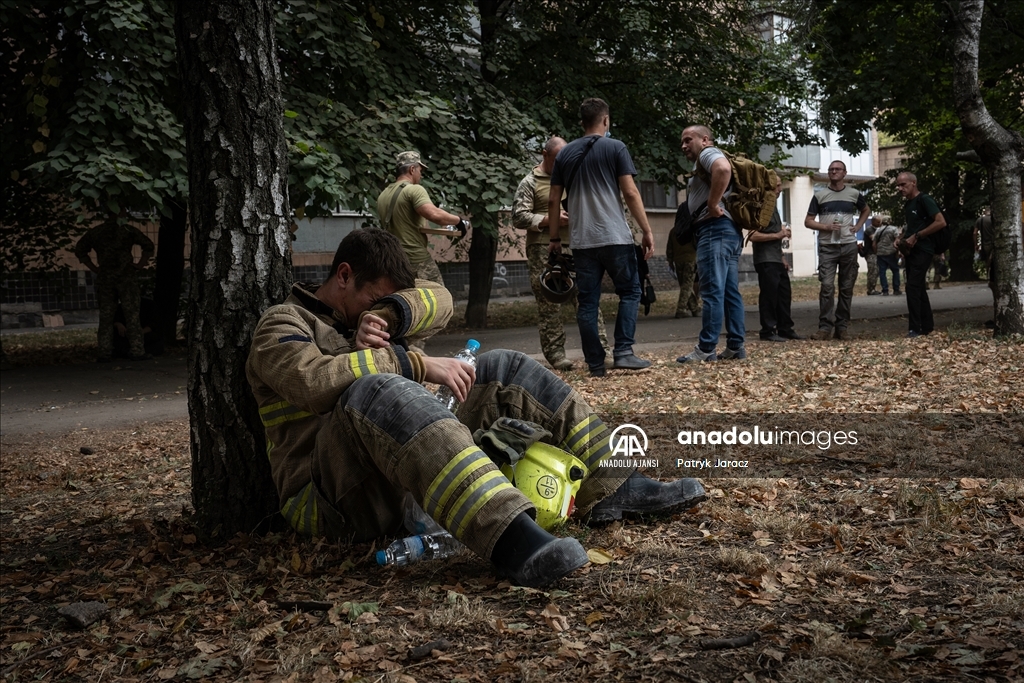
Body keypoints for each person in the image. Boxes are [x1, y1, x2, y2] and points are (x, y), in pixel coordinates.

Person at [245, 229, 706, 588]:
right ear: (343, 276)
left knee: (502, 366)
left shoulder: (376, 318)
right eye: (371, 298)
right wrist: (410, 360)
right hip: (327, 500)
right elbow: (311, 383)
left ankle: (618, 483)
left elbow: (438, 299)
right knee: (375, 388)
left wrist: (382, 315)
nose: (376, 311)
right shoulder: (282, 323)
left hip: (396, 473)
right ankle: (513, 539)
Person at [546, 98, 655, 377]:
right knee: (630, 291)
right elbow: (630, 193)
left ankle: (595, 363)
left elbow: (554, 199)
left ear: (582, 122)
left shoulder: (565, 154)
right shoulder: (615, 147)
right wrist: (647, 230)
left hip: (582, 241)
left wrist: (555, 238)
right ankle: (624, 353)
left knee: (588, 302)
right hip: (615, 236)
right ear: (605, 120)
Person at [511, 136, 610, 370]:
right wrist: (547, 219)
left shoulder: (573, 178)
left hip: (577, 245)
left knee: (587, 299)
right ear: (545, 155)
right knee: (549, 302)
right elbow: (518, 216)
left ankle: (600, 352)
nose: (563, 163)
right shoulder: (531, 182)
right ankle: (556, 355)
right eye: (558, 159)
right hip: (543, 249)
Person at [675, 125, 746, 362]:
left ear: (704, 139)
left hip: (715, 230)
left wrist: (713, 204)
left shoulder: (708, 154)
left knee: (712, 291)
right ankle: (736, 347)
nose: (684, 146)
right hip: (728, 231)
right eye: (682, 142)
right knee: (729, 292)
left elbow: (723, 169)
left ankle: (706, 349)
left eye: (688, 140)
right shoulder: (705, 159)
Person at [377, 150, 468, 287]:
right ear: (412, 169)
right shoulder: (414, 190)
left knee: (405, 300)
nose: (421, 175)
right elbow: (434, 215)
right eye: (420, 170)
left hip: (393, 259)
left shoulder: (384, 194)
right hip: (415, 258)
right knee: (439, 297)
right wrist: (459, 221)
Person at [804, 160, 870, 341]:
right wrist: (825, 227)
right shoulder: (820, 195)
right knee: (826, 286)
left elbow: (866, 210)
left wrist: (858, 226)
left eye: (837, 169)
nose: (833, 172)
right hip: (827, 247)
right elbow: (808, 221)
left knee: (846, 287)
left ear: (844, 173)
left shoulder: (854, 194)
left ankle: (842, 327)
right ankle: (824, 328)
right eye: (831, 169)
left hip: (849, 245)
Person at [74, 216, 155, 362]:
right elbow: (148, 245)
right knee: (132, 315)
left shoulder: (97, 232)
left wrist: (94, 268)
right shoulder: (128, 230)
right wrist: (140, 264)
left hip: (106, 278)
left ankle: (104, 352)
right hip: (126, 277)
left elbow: (80, 249)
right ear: (122, 211)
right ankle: (137, 350)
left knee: (106, 316)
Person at [894, 171, 946, 337]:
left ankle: (914, 328)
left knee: (912, 287)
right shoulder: (908, 204)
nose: (900, 188)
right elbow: (911, 227)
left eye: (903, 184)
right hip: (911, 251)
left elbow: (940, 222)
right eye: (898, 185)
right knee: (918, 287)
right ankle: (926, 326)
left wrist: (917, 236)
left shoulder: (925, 200)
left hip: (925, 249)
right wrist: (901, 238)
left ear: (913, 183)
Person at [749, 181, 801, 342]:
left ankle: (785, 328)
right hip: (765, 259)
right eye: (776, 186)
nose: (779, 189)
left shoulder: (773, 208)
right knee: (769, 295)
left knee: (784, 294)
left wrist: (782, 257)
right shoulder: (760, 208)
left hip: (776, 259)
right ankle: (767, 330)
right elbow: (752, 235)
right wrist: (778, 235)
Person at [665, 221, 701, 319]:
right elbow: (697, 244)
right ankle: (681, 309)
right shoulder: (692, 230)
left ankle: (695, 308)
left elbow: (669, 247)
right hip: (690, 259)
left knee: (685, 285)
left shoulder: (673, 231)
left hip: (678, 261)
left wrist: (670, 261)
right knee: (687, 285)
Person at [973, 207, 995, 326]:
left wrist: (975, 245)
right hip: (996, 245)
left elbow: (975, 233)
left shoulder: (980, 220)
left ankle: (989, 278)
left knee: (989, 266)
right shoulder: (995, 219)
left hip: (986, 246)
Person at [873, 217, 901, 295]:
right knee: (895, 271)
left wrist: (876, 252)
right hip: (891, 252)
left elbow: (874, 244)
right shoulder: (894, 229)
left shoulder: (878, 230)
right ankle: (896, 289)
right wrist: (898, 251)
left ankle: (885, 290)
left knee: (882, 272)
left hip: (880, 253)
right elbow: (897, 241)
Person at [863, 217, 882, 295]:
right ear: (873, 221)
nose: (879, 224)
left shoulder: (878, 229)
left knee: (876, 271)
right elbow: (873, 238)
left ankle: (873, 288)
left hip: (876, 253)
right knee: (872, 271)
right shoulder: (869, 229)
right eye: (878, 222)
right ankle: (870, 289)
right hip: (870, 253)